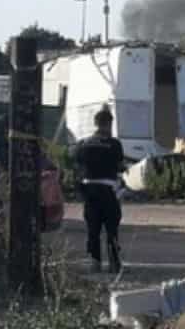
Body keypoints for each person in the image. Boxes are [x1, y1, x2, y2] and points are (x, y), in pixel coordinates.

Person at [72, 106, 125, 273]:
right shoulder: (114, 144)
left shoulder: (83, 144)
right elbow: (120, 167)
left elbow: (77, 167)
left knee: (93, 229)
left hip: (89, 191)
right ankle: (114, 263)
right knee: (111, 229)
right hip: (108, 191)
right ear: (109, 124)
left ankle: (95, 262)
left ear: (95, 123)